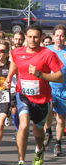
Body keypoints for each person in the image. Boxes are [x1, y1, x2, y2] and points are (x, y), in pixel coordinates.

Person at [5, 25, 64, 165]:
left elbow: (59, 76)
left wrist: (40, 74)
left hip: (41, 99)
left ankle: (39, 149)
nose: (33, 40)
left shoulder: (47, 54)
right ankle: (20, 163)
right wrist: (9, 77)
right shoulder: (18, 52)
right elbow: (15, 63)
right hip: (23, 95)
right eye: (30, 36)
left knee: (38, 134)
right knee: (23, 126)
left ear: (41, 37)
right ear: (26, 36)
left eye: (36, 37)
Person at [46, 24, 66, 157]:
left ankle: (58, 143)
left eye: (62, 35)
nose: (59, 38)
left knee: (60, 119)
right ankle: (48, 130)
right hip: (49, 88)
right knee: (48, 110)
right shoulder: (46, 50)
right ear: (53, 37)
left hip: (63, 90)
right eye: (57, 35)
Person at [10, 31, 26, 138]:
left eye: (20, 39)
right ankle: (18, 129)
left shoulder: (26, 52)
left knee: (22, 109)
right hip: (12, 85)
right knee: (14, 109)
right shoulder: (8, 52)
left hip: (23, 85)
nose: (18, 41)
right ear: (13, 39)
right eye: (16, 39)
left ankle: (22, 128)